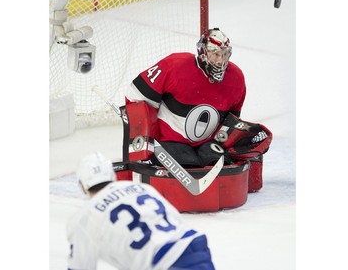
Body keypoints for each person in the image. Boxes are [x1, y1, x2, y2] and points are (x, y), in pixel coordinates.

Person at [66, 152, 216, 270]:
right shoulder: (142, 188)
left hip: (162, 261)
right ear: (112, 175)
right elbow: (175, 219)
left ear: (81, 185)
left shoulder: (84, 218)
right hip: (195, 245)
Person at [125, 28, 247, 167]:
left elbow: (232, 119)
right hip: (171, 143)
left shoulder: (236, 78)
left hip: (207, 144)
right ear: (203, 53)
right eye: (216, 54)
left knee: (222, 165)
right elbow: (135, 95)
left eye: (225, 54)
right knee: (188, 165)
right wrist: (147, 143)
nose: (221, 61)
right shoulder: (175, 65)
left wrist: (223, 142)